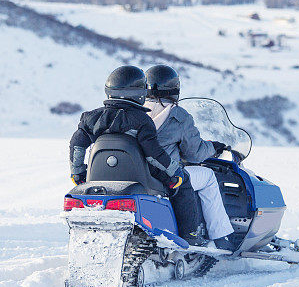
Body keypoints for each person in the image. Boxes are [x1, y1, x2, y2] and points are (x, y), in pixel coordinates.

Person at [68, 66, 204, 243]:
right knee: (183, 180)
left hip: (98, 175)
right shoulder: (141, 120)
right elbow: (153, 154)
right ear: (140, 93)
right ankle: (189, 236)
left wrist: (77, 172)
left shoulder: (90, 118)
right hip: (138, 174)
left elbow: (76, 145)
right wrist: (174, 173)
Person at [145, 65, 236, 251]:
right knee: (208, 177)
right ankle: (219, 236)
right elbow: (195, 154)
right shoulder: (178, 116)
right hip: (165, 176)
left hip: (138, 173)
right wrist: (213, 147)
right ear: (175, 89)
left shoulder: (134, 110)